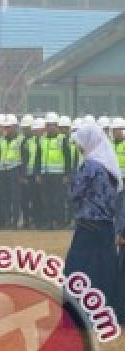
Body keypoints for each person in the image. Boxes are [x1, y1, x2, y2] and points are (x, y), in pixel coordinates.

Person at [61, 125, 123, 318]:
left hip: (88, 225)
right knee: (105, 267)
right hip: (106, 226)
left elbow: (74, 193)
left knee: (79, 267)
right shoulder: (109, 166)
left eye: (80, 144)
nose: (79, 148)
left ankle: (81, 310)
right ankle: (105, 307)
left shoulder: (89, 165)